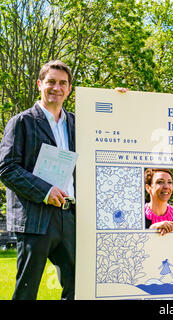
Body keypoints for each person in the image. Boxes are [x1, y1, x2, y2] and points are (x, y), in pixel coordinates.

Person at [0, 60, 76, 300]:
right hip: (35, 217)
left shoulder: (78, 124)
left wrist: (121, 101)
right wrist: (46, 191)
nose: (57, 87)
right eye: (51, 81)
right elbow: (7, 168)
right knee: (27, 290)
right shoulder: (22, 122)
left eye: (63, 83)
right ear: (39, 84)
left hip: (70, 215)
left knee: (78, 286)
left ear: (69, 89)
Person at [145, 168, 173, 235]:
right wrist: (151, 230)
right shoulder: (138, 216)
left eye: (169, 182)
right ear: (148, 188)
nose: (166, 186)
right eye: (160, 182)